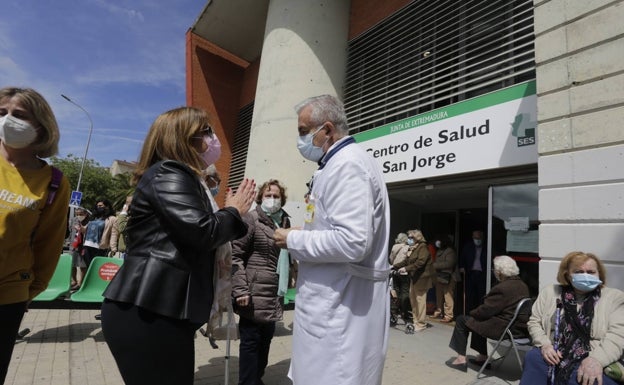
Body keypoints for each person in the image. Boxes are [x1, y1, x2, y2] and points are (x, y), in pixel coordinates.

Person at [100, 106, 256, 385]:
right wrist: (233, 211)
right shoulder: (169, 172)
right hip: (148, 310)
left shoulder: (185, 177)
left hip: (160, 310)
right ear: (181, 139)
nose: (212, 139)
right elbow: (203, 231)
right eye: (205, 132)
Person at [273, 94, 391, 385]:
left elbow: (353, 241)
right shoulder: (336, 164)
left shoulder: (348, 166)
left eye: (304, 131)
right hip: (331, 304)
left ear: (327, 129)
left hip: (340, 311)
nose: (300, 139)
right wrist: (305, 233)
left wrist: (294, 240)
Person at [0, 86, 70, 383]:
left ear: (40, 126)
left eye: (18, 115)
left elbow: (49, 244)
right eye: (2, 113)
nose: (7, 120)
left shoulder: (53, 182)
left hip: (7, 296)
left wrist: (31, 292)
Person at [519, 251, 624, 385]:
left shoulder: (615, 298)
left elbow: (618, 336)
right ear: (567, 274)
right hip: (554, 355)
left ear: (599, 274)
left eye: (591, 272)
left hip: (594, 358)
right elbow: (535, 322)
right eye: (578, 272)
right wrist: (544, 344)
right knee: (533, 357)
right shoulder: (550, 292)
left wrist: (597, 360)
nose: (585, 275)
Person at [231, 179, 291, 385]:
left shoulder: (284, 222)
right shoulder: (251, 218)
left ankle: (256, 379)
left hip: (274, 292)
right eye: (268, 195)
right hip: (253, 293)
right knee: (251, 343)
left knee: (265, 343)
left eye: (276, 196)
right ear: (260, 197)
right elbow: (235, 255)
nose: (272, 199)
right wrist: (240, 289)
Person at [445, 255, 529, 372]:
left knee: (462, 320)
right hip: (516, 327)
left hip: (504, 328)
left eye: (494, 269)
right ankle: (483, 357)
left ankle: (461, 359)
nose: (494, 272)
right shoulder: (522, 285)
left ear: (500, 272)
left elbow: (485, 310)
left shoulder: (503, 288)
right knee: (476, 320)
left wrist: (472, 312)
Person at [393, 229, 435, 333]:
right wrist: (394, 266)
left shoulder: (423, 247)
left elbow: (420, 262)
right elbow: (406, 261)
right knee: (413, 300)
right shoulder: (414, 248)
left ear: (417, 238)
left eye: (411, 237)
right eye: (409, 237)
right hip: (414, 278)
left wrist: (406, 269)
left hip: (422, 278)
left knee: (420, 301)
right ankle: (416, 321)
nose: (409, 239)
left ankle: (421, 323)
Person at [459, 229, 487, 312]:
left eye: (479, 238)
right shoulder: (468, 246)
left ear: (482, 238)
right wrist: (461, 266)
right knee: (470, 295)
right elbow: (462, 258)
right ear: (472, 237)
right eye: (475, 237)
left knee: (481, 295)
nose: (477, 240)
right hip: (470, 273)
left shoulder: (486, 247)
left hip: (482, 274)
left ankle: (480, 313)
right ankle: (469, 313)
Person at [432, 234, 459, 323]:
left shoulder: (450, 251)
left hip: (449, 277)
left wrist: (435, 266)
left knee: (448, 296)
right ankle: (439, 311)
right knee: (439, 295)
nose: (437, 243)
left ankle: (448, 315)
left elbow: (449, 263)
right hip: (439, 276)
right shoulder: (440, 250)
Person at [81, 199, 116, 265]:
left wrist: (113, 248)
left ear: (107, 206)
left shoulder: (112, 219)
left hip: (100, 248)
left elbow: (114, 234)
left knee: (97, 267)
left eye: (100, 205)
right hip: (87, 245)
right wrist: (80, 227)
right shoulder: (94, 218)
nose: (98, 207)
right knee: (89, 267)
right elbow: (85, 230)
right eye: (97, 206)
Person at [389, 232, 412, 324]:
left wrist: (394, 265)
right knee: (405, 291)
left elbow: (391, 258)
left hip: (395, 270)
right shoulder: (408, 247)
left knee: (396, 291)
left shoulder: (394, 247)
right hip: (404, 272)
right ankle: (404, 311)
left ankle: (394, 310)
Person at [69, 207, 90, 289]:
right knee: (72, 264)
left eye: (81, 214)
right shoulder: (73, 220)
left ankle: (81, 283)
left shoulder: (89, 221)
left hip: (83, 246)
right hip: (73, 245)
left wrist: (82, 229)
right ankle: (74, 281)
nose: (79, 216)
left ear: (85, 214)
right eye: (77, 214)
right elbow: (71, 231)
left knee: (82, 265)